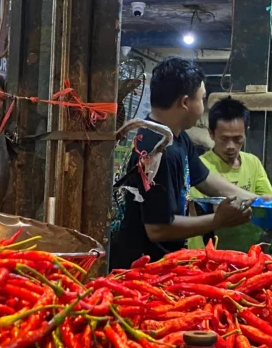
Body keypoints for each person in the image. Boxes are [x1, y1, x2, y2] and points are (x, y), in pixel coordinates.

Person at [109, 58, 256, 269]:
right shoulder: (158, 150)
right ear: (185, 102)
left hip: (163, 263)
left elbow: (204, 178)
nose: (203, 106)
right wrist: (218, 220)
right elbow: (157, 229)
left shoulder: (176, 136)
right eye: (202, 98)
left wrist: (258, 200)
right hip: (140, 269)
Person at [184, 98, 272, 252]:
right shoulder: (200, 168)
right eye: (224, 139)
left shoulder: (253, 163)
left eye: (237, 139)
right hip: (207, 254)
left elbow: (268, 207)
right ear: (211, 134)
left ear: (246, 133)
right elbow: (201, 211)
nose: (231, 146)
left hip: (247, 253)